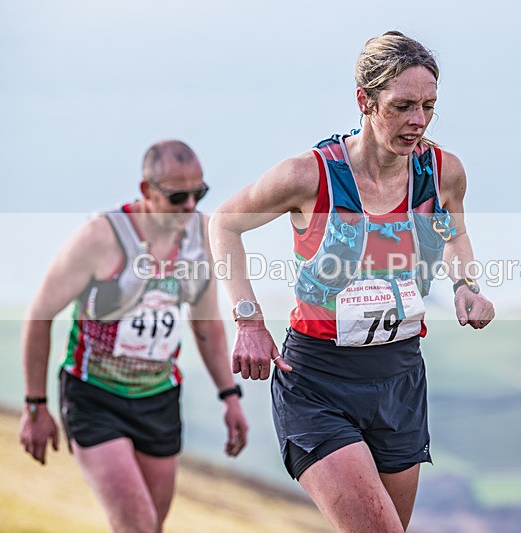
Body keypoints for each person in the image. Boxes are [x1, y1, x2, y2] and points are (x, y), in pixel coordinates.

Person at [209, 31, 495, 532]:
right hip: (318, 382)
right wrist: (249, 321)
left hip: (400, 377)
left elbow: (455, 231)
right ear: (364, 101)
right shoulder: (309, 175)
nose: (419, 122)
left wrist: (464, 285)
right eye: (403, 106)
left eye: (429, 106)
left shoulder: (443, 171)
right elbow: (224, 223)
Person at [19, 140, 248, 532]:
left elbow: (206, 321)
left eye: (200, 193)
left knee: (152, 527)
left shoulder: (199, 239)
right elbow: (39, 316)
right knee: (138, 526)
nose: (190, 206)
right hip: (94, 396)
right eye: (178, 197)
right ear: (146, 191)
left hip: (159, 398)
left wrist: (230, 396)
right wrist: (35, 405)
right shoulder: (99, 238)